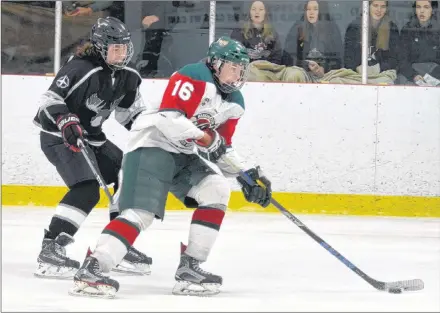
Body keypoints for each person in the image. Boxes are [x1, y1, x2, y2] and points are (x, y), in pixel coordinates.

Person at [69, 36, 272, 298]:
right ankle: (94, 267)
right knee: (141, 212)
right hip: (152, 144)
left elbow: (223, 147)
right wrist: (206, 139)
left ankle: (191, 266)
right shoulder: (195, 75)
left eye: (241, 69)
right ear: (216, 63)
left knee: (217, 189)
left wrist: (246, 174)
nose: (238, 74)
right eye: (233, 67)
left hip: (183, 153)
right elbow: (169, 118)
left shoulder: (235, 102)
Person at [33, 16, 152, 279]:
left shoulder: (127, 75)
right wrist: (66, 119)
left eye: (124, 47)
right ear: (100, 47)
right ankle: (51, 246)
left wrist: (153, 133)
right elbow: (49, 98)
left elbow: (130, 115)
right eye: (115, 48)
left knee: (128, 172)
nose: (122, 53)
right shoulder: (80, 68)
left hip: (93, 138)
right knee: (88, 190)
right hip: (59, 136)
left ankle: (116, 243)